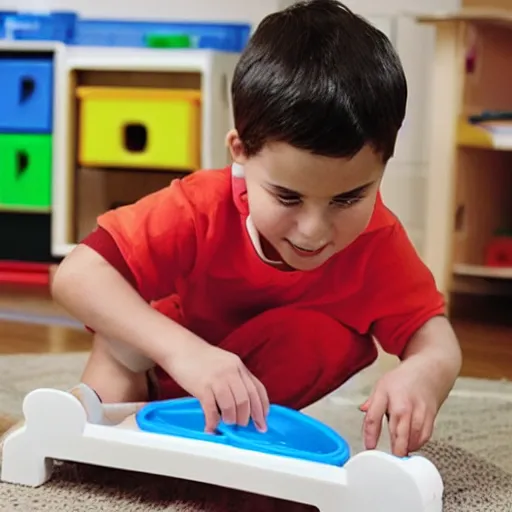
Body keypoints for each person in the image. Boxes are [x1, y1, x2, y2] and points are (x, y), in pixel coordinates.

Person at [52, 0, 462, 457]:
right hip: (152, 368)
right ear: (240, 151)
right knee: (105, 395)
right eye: (288, 197)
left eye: (348, 198)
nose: (313, 231)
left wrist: (424, 372)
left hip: (246, 399)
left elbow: (435, 335)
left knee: (327, 337)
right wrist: (182, 352)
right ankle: (109, 417)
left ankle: (229, 440)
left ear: (384, 164)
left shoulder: (377, 241)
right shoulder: (200, 207)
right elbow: (76, 275)